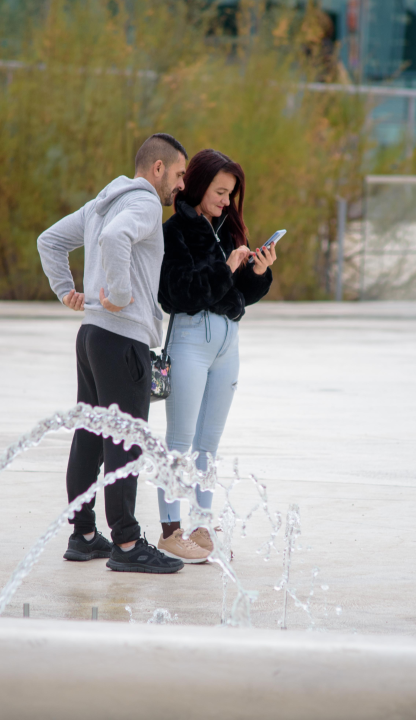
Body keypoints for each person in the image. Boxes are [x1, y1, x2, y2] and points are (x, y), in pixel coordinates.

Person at [37, 133, 188, 574]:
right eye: (178, 174)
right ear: (157, 169)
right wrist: (119, 293)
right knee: (126, 440)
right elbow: (117, 239)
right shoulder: (141, 203)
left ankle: (83, 535)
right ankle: (125, 542)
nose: (180, 185)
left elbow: (50, 240)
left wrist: (67, 291)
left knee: (91, 435)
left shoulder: (103, 201)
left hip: (91, 337)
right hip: (121, 339)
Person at [153, 149, 278, 563]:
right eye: (221, 192)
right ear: (199, 185)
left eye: (231, 194)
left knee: (208, 444)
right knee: (179, 442)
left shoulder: (226, 230)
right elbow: (177, 293)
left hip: (228, 343)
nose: (227, 201)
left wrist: (257, 273)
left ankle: (201, 524)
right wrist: (225, 267)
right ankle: (170, 531)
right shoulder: (173, 233)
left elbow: (238, 297)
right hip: (190, 339)